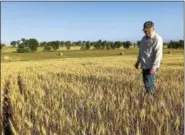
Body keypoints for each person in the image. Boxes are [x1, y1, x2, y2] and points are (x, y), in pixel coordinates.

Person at [135, 21, 163, 95]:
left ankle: (152, 101)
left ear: (153, 29)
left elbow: (158, 55)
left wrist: (154, 67)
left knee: (149, 85)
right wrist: (138, 62)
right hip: (144, 66)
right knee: (147, 85)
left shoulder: (157, 39)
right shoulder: (144, 39)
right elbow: (141, 51)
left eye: (148, 31)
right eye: (145, 31)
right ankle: (151, 100)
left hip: (151, 66)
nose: (146, 32)